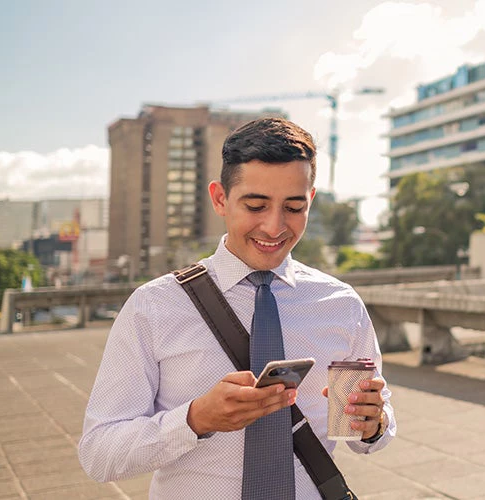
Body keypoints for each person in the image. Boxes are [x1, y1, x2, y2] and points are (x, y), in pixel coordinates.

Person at [79, 118, 395, 499]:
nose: (274, 226)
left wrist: (372, 422)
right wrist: (195, 419)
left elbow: (367, 437)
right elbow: (99, 455)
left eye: (293, 207)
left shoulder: (340, 304)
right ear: (219, 199)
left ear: (309, 201)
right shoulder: (154, 307)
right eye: (256, 205)